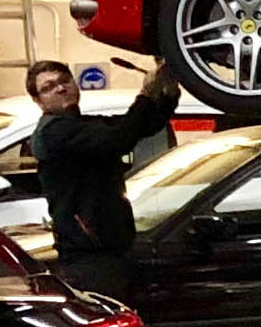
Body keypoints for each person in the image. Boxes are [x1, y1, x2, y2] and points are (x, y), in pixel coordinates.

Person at [28, 58, 179, 298]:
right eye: (48, 87)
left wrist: (167, 95)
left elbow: (139, 127)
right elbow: (118, 140)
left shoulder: (81, 123)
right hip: (90, 257)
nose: (60, 88)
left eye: (64, 80)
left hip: (111, 248)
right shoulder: (55, 132)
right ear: (38, 101)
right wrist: (145, 94)